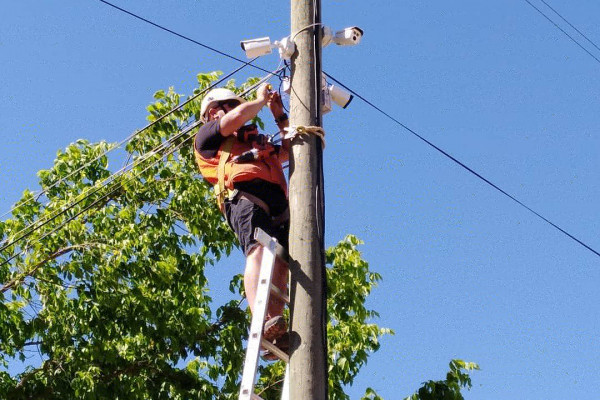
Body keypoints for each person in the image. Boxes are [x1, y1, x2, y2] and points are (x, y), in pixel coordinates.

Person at [193, 83, 290, 353]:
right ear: (215, 112)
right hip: (244, 196)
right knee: (258, 252)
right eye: (231, 107)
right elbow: (235, 118)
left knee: (280, 264)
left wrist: (279, 114)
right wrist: (259, 101)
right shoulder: (208, 137)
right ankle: (263, 321)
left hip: (277, 203)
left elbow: (292, 149)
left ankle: (274, 325)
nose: (238, 112)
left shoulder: (255, 143)